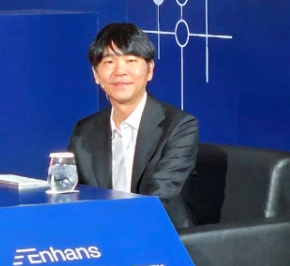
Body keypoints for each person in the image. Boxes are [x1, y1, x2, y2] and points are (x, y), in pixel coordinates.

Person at [67, 23, 198, 228]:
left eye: (131, 61)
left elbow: (158, 196)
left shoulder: (179, 126)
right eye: (109, 62)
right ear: (96, 75)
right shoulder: (84, 130)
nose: (120, 71)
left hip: (161, 234)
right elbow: (75, 195)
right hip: (102, 233)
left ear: (150, 70)